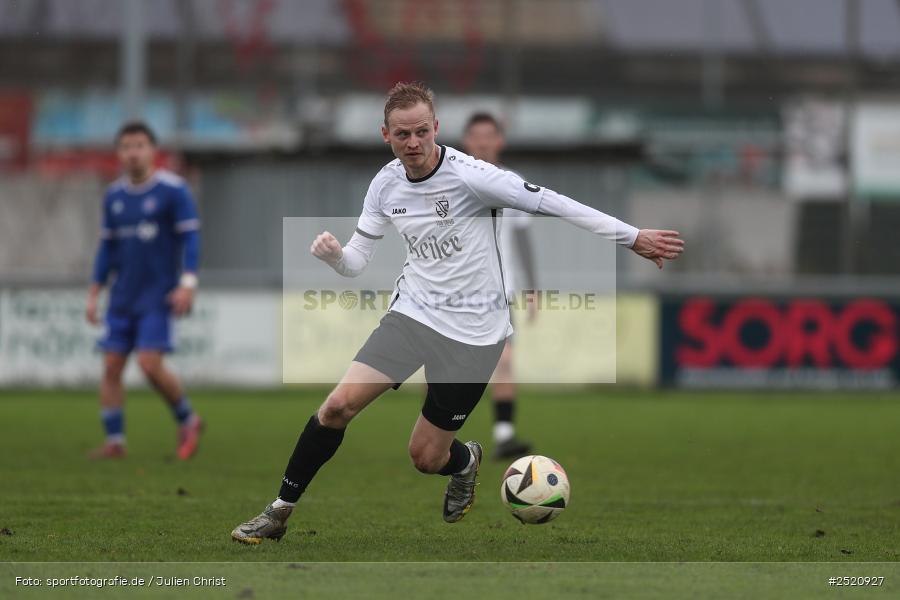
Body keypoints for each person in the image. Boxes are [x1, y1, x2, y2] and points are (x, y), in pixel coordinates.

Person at [231, 82, 683, 544]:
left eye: (421, 132)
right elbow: (356, 262)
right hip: (412, 316)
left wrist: (631, 236)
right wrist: (333, 257)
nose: (413, 143)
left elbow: (551, 201)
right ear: (385, 133)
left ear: (436, 129)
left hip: (474, 334)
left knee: (425, 457)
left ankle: (464, 462)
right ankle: (278, 512)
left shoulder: (472, 175)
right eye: (402, 134)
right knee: (336, 407)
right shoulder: (385, 183)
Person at [86, 122, 203, 460]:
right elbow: (106, 249)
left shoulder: (173, 191)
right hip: (122, 296)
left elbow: (190, 239)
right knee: (111, 366)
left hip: (158, 295)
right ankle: (115, 442)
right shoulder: (114, 196)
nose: (132, 152)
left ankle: (188, 419)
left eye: (139, 145)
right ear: (118, 153)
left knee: (150, 365)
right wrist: (94, 292)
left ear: (153, 150)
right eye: (126, 146)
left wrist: (188, 283)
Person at [462, 112, 536, 460]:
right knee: (441, 370)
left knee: (504, 361)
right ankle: (439, 437)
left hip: (499, 294)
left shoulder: (512, 182)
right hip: (452, 293)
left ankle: (504, 436)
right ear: (466, 140)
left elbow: (522, 240)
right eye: (476, 135)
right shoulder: (452, 179)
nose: (482, 142)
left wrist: (533, 288)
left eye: (488, 135)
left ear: (499, 141)